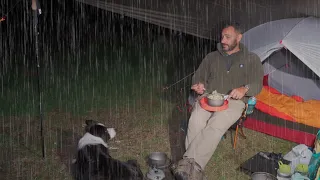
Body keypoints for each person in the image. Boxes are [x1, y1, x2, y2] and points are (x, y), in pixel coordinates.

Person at [173, 22, 264, 179]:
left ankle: (188, 165)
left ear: (239, 37)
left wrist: (244, 88)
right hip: (209, 96)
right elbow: (198, 76)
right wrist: (199, 85)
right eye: (222, 36)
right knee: (196, 120)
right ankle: (192, 170)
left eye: (228, 37)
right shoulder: (212, 57)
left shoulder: (251, 59)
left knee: (217, 123)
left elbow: (258, 83)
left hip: (235, 101)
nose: (223, 40)